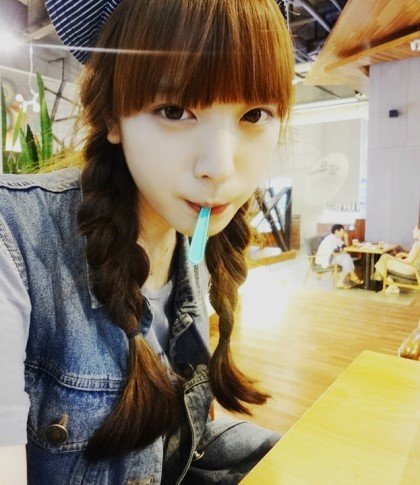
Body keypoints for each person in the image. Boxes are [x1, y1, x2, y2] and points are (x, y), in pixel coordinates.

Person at [0, 0, 295, 483]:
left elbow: (178, 445)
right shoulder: (14, 240)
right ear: (112, 116)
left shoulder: (190, 241)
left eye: (255, 114)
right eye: (175, 111)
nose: (219, 167)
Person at [374, 224, 420, 293]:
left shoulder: (417, 244)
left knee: (384, 258)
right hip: (415, 268)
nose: (413, 231)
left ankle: (381, 278)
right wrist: (402, 254)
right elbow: (415, 256)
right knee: (384, 258)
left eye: (415, 229)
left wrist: (398, 260)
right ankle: (381, 278)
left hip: (410, 269)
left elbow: (409, 261)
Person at [315, 224, 364, 289]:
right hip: (326, 259)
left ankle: (348, 278)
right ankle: (349, 278)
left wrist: (346, 238)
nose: (343, 233)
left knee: (347, 258)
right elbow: (335, 251)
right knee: (347, 258)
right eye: (341, 231)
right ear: (336, 231)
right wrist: (342, 251)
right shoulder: (330, 238)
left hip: (332, 257)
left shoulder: (336, 238)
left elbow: (345, 247)